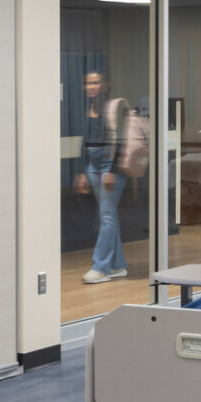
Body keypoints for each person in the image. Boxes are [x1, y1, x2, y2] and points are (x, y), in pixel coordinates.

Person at [74, 70, 129, 285]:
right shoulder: (87, 108)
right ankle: (117, 265)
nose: (91, 87)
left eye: (95, 83)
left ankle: (101, 267)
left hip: (109, 164)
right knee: (109, 214)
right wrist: (82, 171)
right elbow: (84, 140)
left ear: (105, 85)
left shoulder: (115, 107)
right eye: (88, 83)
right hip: (93, 163)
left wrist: (112, 171)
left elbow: (122, 140)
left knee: (106, 216)